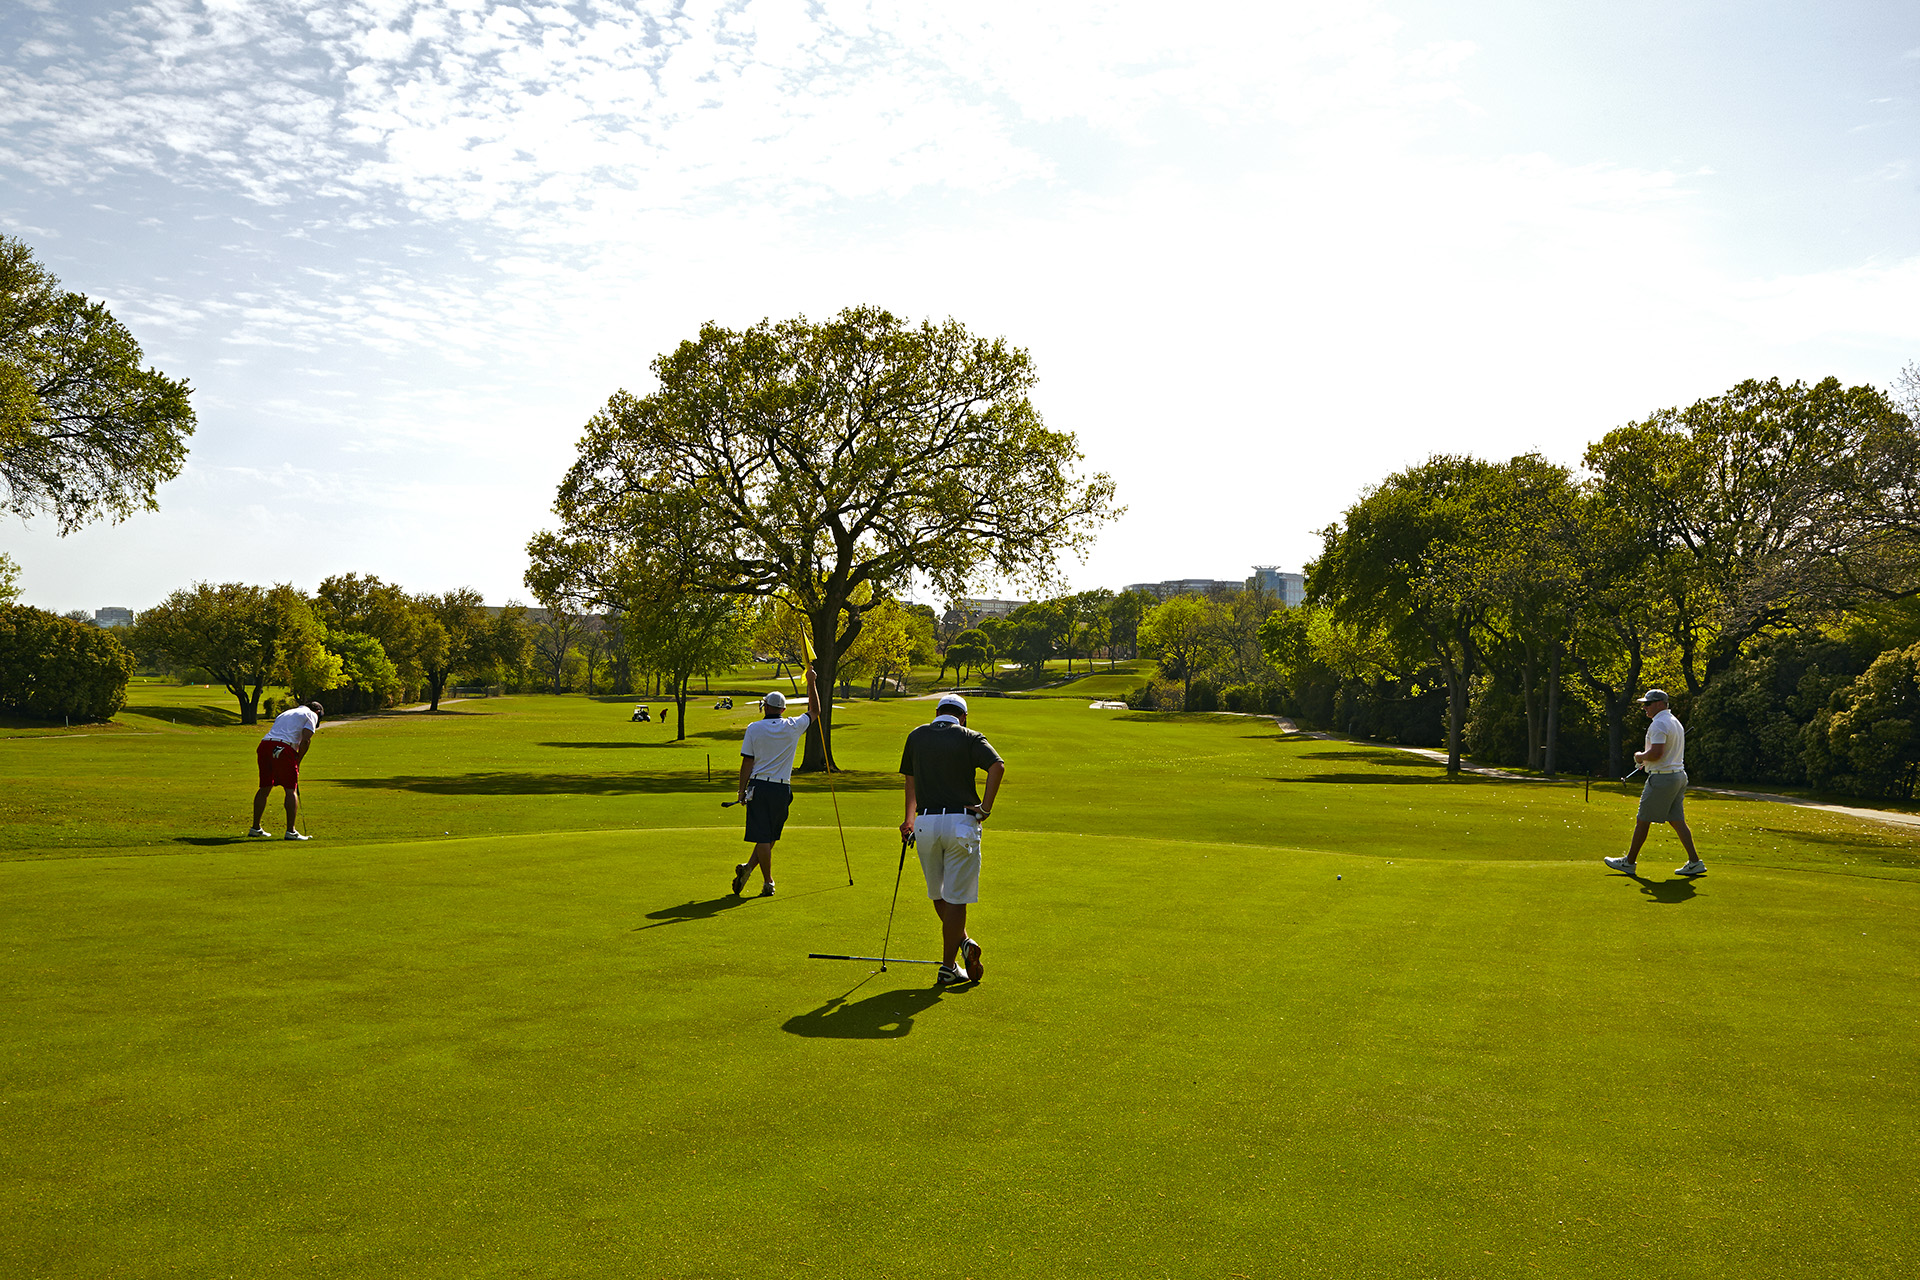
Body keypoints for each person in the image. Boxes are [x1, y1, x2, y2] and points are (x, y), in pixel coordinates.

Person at [898, 693, 1006, 985]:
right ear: (963, 716)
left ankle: (964, 944)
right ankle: (948, 967)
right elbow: (997, 766)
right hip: (961, 823)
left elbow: (911, 781)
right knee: (956, 899)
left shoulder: (917, 735)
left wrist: (909, 819)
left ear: (937, 712)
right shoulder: (970, 736)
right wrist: (985, 808)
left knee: (939, 895)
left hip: (926, 823)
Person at [733, 669, 822, 897]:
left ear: (765, 707)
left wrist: (741, 791)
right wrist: (811, 682)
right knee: (770, 836)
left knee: (765, 836)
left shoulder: (754, 728)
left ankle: (766, 881)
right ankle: (750, 870)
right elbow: (815, 710)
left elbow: (747, 763)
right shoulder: (792, 726)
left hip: (759, 786)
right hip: (782, 788)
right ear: (783, 709)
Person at [1605, 689, 1705, 877]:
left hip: (1663, 778)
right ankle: (1695, 862)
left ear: (1660, 703)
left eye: (1648, 704)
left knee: (1642, 819)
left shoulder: (1659, 724)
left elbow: (1656, 753)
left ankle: (1629, 862)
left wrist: (1640, 756)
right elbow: (1663, 754)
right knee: (1677, 820)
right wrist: (1648, 761)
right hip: (1678, 776)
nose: (1644, 707)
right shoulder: (1674, 721)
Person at [247, 700, 324, 841]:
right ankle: (291, 831)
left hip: (264, 745)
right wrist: (298, 761)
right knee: (290, 789)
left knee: (264, 787)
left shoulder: (286, 713)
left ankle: (255, 828)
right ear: (318, 712)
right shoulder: (311, 714)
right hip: (283, 748)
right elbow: (306, 740)